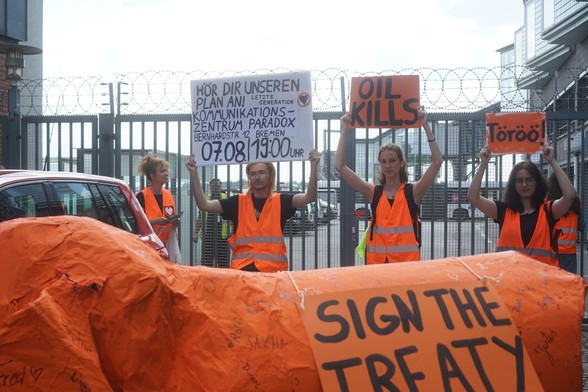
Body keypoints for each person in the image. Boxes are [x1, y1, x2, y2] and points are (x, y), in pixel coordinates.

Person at [336, 108, 443, 264]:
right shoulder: (374, 193)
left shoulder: (412, 192)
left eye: (392, 160)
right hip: (377, 267)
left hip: (405, 269)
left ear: (401, 163)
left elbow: (437, 162)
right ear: (379, 164)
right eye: (383, 161)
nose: (388, 165)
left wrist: (425, 126)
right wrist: (345, 129)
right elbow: (340, 166)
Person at [186, 150, 321, 272]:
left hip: (272, 274)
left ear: (270, 175)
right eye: (253, 174)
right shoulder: (237, 202)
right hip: (243, 273)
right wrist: (194, 173)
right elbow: (204, 204)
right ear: (249, 178)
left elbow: (309, 197)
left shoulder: (282, 201)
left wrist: (314, 167)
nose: (257, 177)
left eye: (261, 172)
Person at [467, 139, 576, 266]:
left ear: (537, 182)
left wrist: (552, 161)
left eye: (529, 180)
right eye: (519, 180)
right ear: (513, 184)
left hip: (541, 283)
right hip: (510, 282)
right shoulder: (503, 211)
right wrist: (483, 164)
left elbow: (570, 196)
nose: (524, 184)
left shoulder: (548, 211)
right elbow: (473, 197)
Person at [136, 152, 181, 257]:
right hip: (149, 248)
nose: (166, 174)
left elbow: (171, 218)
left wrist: (175, 221)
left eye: (166, 171)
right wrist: (156, 221)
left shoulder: (168, 194)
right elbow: (137, 223)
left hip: (166, 246)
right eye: (162, 171)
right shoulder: (141, 196)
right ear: (152, 175)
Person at [547, 172, 584, 274]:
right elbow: (581, 226)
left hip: (551, 251)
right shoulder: (576, 203)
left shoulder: (547, 203)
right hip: (569, 253)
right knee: (569, 283)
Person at [194, 178, 232, 268]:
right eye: (213, 186)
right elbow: (200, 217)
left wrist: (234, 232)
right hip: (208, 236)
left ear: (221, 187)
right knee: (206, 263)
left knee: (223, 263)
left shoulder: (227, 198)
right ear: (210, 187)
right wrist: (195, 233)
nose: (215, 188)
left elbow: (233, 217)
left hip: (223, 237)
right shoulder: (206, 199)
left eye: (217, 186)